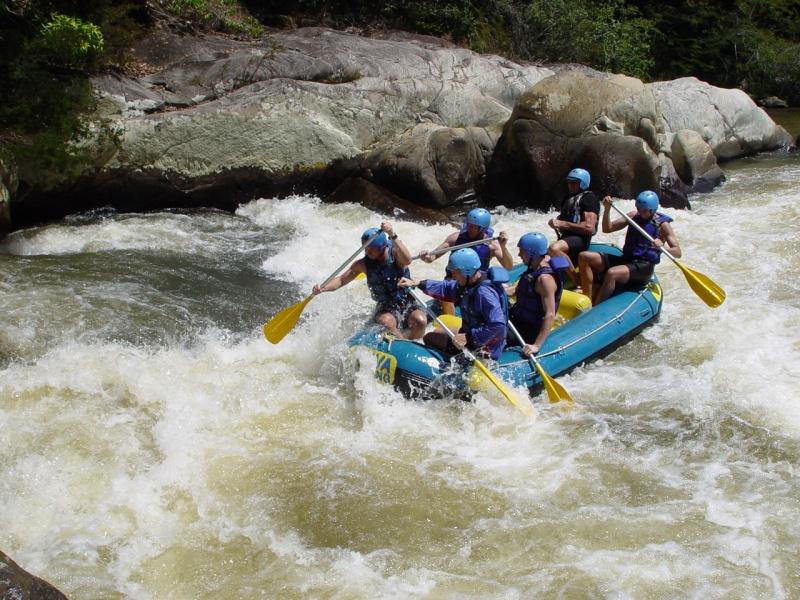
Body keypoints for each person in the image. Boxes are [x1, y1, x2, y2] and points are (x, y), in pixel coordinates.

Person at [312, 222, 427, 339]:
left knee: (420, 321)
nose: (367, 252)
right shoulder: (363, 264)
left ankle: (417, 342)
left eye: (371, 249)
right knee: (387, 322)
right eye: (366, 248)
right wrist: (323, 288)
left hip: (407, 301)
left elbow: (407, 260)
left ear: (382, 247)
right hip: (386, 306)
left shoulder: (396, 253)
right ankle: (404, 346)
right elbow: (341, 280)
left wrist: (392, 234)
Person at [398, 248, 508, 361]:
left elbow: (498, 326)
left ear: (467, 271)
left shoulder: (484, 293)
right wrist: (419, 283)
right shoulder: (467, 283)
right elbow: (445, 287)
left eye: (456, 272)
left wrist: (468, 337)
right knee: (429, 337)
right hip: (471, 336)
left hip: (486, 346)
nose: (453, 275)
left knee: (434, 340)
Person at [578, 190, 681, 305]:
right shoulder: (633, 216)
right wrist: (607, 209)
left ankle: (595, 307)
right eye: (639, 208)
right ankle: (587, 298)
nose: (641, 212)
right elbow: (607, 229)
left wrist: (661, 246)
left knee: (612, 273)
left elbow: (677, 252)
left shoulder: (663, 225)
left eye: (644, 210)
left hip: (644, 267)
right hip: (626, 259)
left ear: (652, 209)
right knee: (584, 256)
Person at [418, 208, 512, 314]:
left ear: (482, 228)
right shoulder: (456, 238)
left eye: (473, 226)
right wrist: (426, 256)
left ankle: (509, 291)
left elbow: (508, 266)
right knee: (445, 297)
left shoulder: (491, 245)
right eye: (469, 224)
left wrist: (503, 247)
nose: (469, 228)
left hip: (476, 283)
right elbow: (432, 257)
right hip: (455, 280)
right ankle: (452, 324)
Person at [505, 232, 566, 357]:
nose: (519, 254)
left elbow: (550, 314)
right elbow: (516, 291)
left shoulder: (544, 279)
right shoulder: (535, 266)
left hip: (528, 329)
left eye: (522, 251)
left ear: (532, 253)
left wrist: (536, 345)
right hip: (518, 319)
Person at [547, 168, 600, 284]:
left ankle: (576, 280)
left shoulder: (589, 199)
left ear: (583, 183)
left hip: (580, 239)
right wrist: (556, 222)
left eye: (574, 182)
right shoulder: (568, 198)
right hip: (567, 238)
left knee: (553, 248)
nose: (570, 185)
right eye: (569, 182)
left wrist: (563, 224)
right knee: (543, 258)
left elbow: (589, 228)